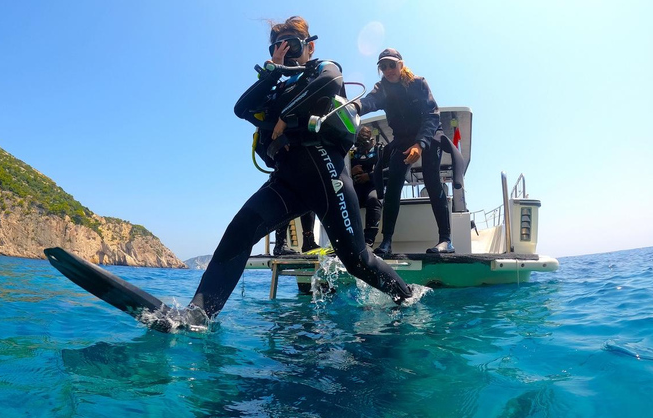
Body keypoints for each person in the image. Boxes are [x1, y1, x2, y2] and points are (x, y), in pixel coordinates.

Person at [185, 17, 412, 324]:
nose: (286, 52)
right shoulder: (276, 87)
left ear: (309, 47)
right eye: (277, 47)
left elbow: (330, 81)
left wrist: (286, 117)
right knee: (239, 232)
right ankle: (198, 314)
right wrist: (272, 72)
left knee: (358, 261)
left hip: (326, 174)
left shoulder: (321, 68)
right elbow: (241, 109)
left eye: (292, 45)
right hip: (286, 181)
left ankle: (407, 299)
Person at [357, 48, 453, 256]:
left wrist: (420, 143)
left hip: (429, 135)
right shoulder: (381, 88)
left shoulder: (418, 83)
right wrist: (354, 106)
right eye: (383, 66)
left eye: (392, 65)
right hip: (402, 140)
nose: (388, 70)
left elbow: (432, 115)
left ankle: (446, 240)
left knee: (432, 180)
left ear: (401, 65)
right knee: (393, 185)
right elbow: (369, 102)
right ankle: (386, 242)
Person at [350, 126, 383, 249]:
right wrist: (351, 171)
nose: (362, 148)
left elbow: (388, 171)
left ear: (371, 140)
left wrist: (369, 176)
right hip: (356, 187)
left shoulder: (380, 151)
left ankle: (368, 240)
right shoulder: (353, 153)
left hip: (373, 186)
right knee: (345, 201)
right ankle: (350, 239)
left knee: (373, 199)